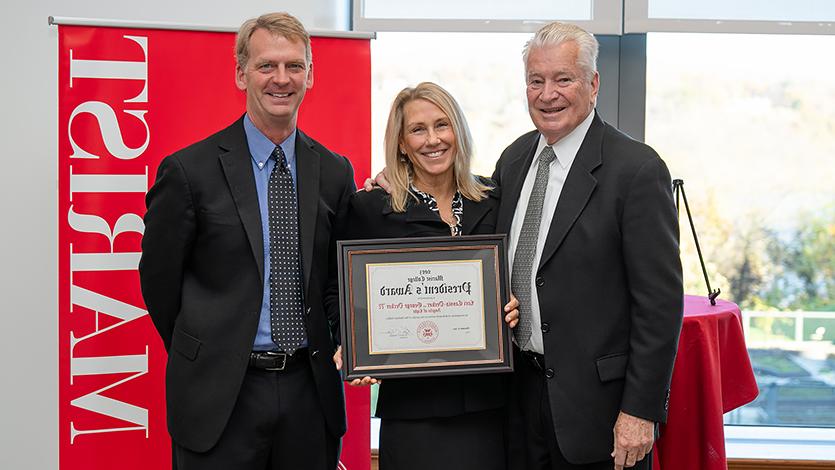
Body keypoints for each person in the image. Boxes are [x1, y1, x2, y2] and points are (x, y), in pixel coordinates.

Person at [367, 22, 683, 470]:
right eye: (536, 80)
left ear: (593, 84)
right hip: (515, 403)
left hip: (598, 411)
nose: (547, 93)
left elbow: (660, 305)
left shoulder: (636, 170)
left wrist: (641, 411)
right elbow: (473, 241)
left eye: (563, 79)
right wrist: (394, 180)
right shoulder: (514, 160)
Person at [139, 12, 355, 470]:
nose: (282, 79)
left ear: (311, 75)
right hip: (219, 396)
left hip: (308, 395)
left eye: (294, 66)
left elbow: (338, 278)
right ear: (241, 73)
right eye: (266, 66)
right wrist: (209, 347)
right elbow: (159, 284)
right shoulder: (187, 172)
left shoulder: (336, 172)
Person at [347, 82, 519, 470]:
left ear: (458, 131)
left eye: (442, 125)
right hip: (414, 411)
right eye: (417, 130)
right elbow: (339, 289)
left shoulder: (494, 199)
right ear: (402, 143)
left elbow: (520, 271)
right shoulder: (371, 207)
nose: (432, 140)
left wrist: (512, 303)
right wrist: (353, 340)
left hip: (489, 406)